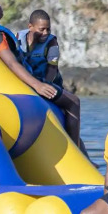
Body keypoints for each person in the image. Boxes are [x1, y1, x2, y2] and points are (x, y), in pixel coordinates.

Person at [0, 0, 89, 159]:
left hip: (27, 81)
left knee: (65, 114)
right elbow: (11, 63)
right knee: (74, 102)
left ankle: (84, 157)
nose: (0, 4)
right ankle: (77, 156)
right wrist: (38, 85)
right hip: (27, 83)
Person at [24, 8, 83, 149]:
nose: (45, 33)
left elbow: (52, 68)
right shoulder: (17, 39)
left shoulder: (52, 42)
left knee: (74, 101)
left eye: (48, 29)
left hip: (48, 82)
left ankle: (76, 149)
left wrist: (46, 87)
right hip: (29, 82)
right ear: (30, 27)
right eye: (41, 29)